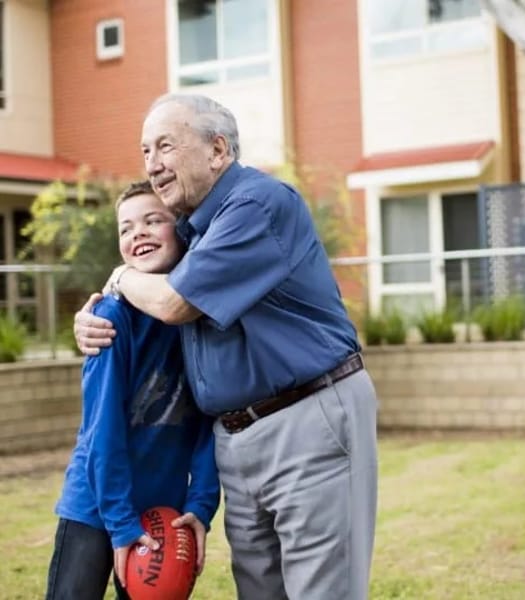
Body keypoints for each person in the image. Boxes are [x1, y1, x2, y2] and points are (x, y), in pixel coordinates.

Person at [74, 93, 379, 600]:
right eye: (145, 151)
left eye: (165, 147)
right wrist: (93, 318)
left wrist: (121, 278)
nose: (152, 165)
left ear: (217, 150)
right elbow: (155, 309)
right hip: (236, 438)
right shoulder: (196, 232)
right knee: (260, 590)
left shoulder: (255, 205)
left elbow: (173, 303)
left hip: (306, 420)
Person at [48, 181, 220, 600]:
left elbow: (211, 424)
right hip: (94, 503)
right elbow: (102, 429)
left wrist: (199, 504)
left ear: (181, 230)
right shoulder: (110, 318)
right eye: (125, 228)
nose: (137, 233)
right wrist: (121, 523)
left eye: (152, 220)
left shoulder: (203, 320)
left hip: (163, 511)